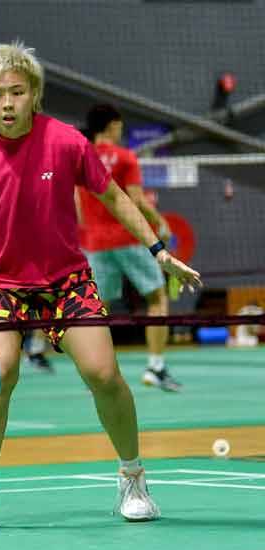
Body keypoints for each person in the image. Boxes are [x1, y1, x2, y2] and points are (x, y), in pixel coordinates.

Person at [0, 42, 201, 531]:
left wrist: (158, 251)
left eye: (18, 92)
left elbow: (115, 198)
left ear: (35, 94)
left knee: (104, 373)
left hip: (65, 279)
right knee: (0, 374)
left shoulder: (67, 143)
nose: (8, 102)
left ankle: (133, 478)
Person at [77, 103, 181, 392]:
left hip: (95, 243)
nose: (121, 131)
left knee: (99, 309)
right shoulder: (125, 157)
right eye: (120, 126)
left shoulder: (82, 156)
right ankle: (156, 367)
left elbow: (78, 206)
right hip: (129, 238)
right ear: (112, 125)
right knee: (157, 298)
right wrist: (160, 222)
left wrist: (89, 229)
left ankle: (96, 373)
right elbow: (135, 199)